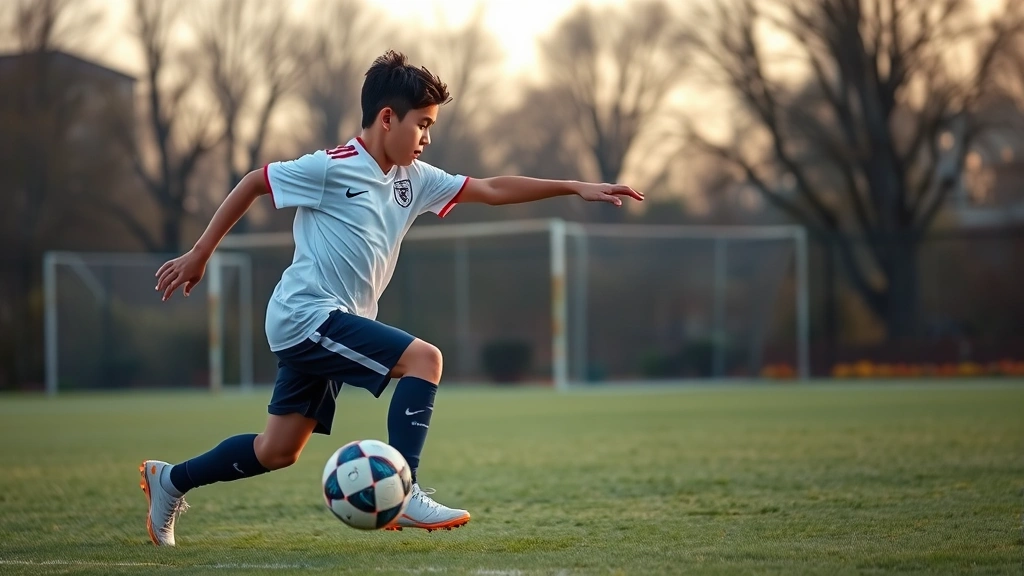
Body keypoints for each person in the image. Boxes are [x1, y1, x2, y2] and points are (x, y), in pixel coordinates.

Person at [140, 50, 643, 546]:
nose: (427, 138)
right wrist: (200, 253)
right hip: (306, 315)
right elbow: (254, 182)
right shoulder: (331, 168)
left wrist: (575, 186)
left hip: (325, 323)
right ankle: (405, 495)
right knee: (426, 359)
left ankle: (171, 481)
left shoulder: (414, 180)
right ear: (387, 118)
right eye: (422, 124)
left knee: (277, 451)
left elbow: (490, 187)